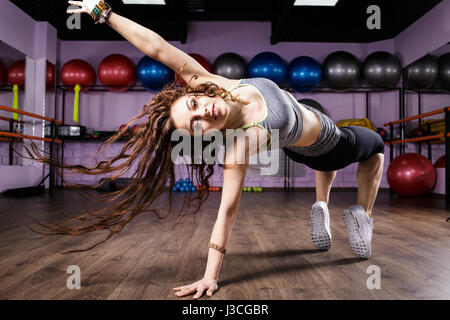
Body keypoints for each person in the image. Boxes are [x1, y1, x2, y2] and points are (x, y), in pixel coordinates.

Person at [34, 0, 383, 299]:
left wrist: (104, 12)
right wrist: (210, 275)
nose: (205, 111)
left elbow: (157, 48)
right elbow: (226, 212)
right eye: (197, 123)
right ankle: (362, 216)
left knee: (310, 115)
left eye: (195, 103)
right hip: (327, 143)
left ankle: (320, 205)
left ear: (195, 91)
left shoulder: (215, 85)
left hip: (299, 125)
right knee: (375, 148)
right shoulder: (241, 145)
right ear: (201, 136)